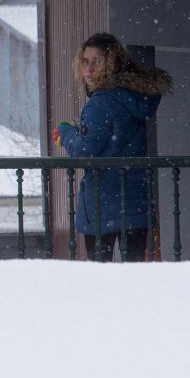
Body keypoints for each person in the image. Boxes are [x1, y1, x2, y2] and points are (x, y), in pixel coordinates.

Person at [52, 33, 171, 262]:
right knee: (134, 274)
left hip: (103, 204)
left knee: (100, 280)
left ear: (112, 62)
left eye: (97, 61)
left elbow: (84, 151)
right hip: (136, 201)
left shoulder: (101, 103)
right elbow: (114, 137)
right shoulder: (132, 97)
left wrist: (67, 134)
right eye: (86, 61)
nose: (89, 69)